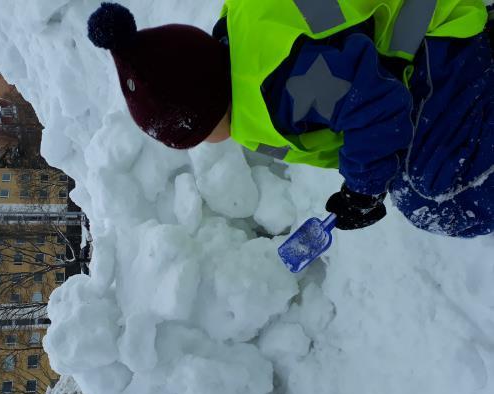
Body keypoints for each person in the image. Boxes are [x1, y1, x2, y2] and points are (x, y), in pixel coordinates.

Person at [87, 1, 494, 237]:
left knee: (430, 193)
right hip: (414, 20)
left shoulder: (283, 87)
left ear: (207, 113)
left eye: (198, 135)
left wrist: (363, 191)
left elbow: (378, 108)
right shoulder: (242, 29)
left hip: (437, 34)